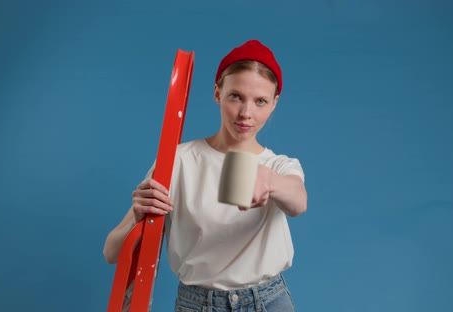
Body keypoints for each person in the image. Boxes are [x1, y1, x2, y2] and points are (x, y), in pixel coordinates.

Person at [103, 39, 308, 312]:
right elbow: (111, 252)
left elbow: (298, 201)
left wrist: (269, 181)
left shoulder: (280, 166)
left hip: (269, 302)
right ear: (217, 93)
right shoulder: (176, 161)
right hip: (197, 305)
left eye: (260, 101)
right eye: (236, 96)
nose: (246, 113)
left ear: (274, 103)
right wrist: (139, 217)